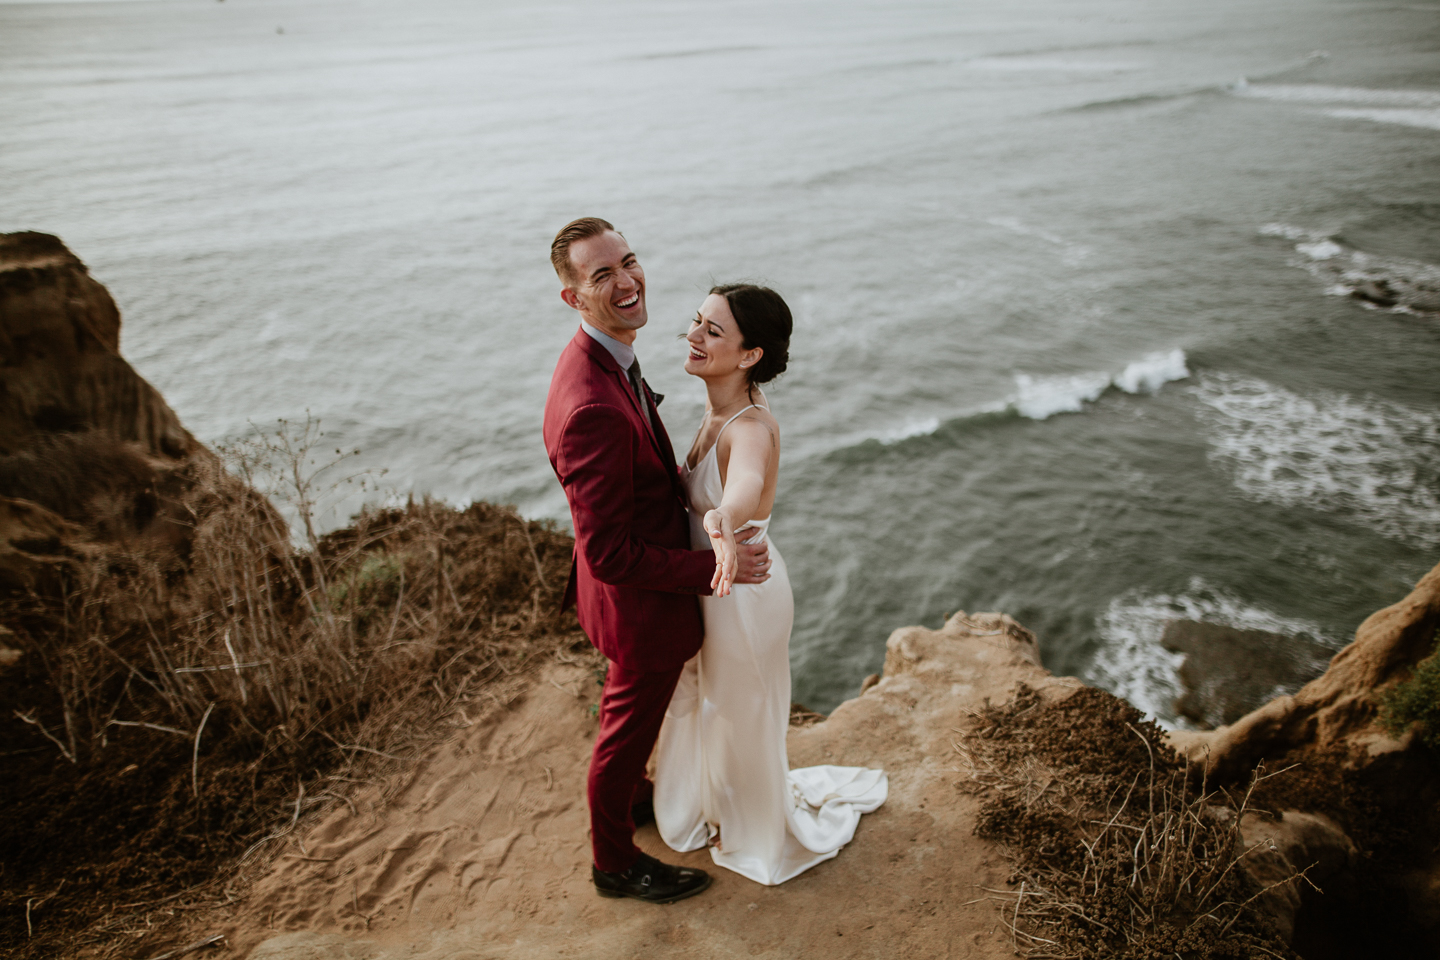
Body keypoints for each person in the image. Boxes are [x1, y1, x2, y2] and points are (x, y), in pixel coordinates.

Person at [541, 218, 773, 904]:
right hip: (638, 607)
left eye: (629, 261)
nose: (626, 280)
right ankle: (613, 864)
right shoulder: (592, 403)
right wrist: (714, 568)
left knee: (639, 719)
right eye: (601, 274)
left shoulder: (605, 353)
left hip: (626, 595)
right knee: (623, 729)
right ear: (573, 297)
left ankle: (636, 796)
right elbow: (610, 551)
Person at [653, 283, 887, 886]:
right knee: (707, 701)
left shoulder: (750, 426)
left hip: (744, 592)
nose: (694, 336)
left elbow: (745, 483)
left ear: (750, 354)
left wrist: (720, 521)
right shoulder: (714, 410)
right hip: (715, 584)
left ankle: (757, 833)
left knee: (739, 711)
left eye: (713, 331)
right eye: (696, 322)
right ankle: (711, 809)